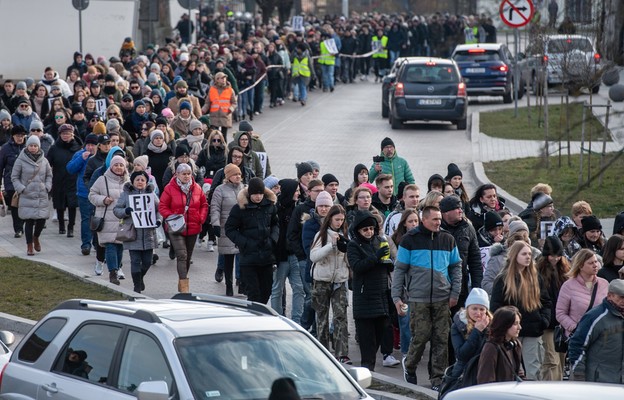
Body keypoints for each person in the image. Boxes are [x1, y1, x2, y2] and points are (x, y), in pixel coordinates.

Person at [393, 206, 462, 389]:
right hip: (418, 298)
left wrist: (455, 292)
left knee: (441, 338)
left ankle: (437, 379)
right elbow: (399, 270)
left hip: (442, 298)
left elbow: (456, 267)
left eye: (440, 219)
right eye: (435, 219)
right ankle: (410, 366)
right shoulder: (410, 240)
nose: (439, 222)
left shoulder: (448, 239)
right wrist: (397, 297)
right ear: (424, 220)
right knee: (421, 336)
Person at [490, 241, 551, 380]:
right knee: (512, 372)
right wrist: (505, 325)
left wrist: (544, 320)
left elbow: (546, 301)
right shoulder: (503, 279)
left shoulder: (535, 277)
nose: (528, 257)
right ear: (514, 256)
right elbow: (495, 307)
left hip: (533, 331)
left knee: (533, 372)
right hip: (510, 333)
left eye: (530, 254)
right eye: (524, 254)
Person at [347, 210, 394, 371]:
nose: (369, 232)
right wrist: (376, 258)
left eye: (371, 229)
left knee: (379, 336)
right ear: (358, 231)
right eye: (365, 229)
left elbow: (386, 262)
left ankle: (370, 371)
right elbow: (357, 267)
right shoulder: (353, 245)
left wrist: (388, 263)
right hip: (364, 299)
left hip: (381, 297)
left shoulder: (378, 241)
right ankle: (367, 373)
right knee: (367, 343)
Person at [225, 177, 278, 303]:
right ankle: (254, 319)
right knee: (253, 294)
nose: (258, 197)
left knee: (266, 291)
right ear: (249, 194)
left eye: (260, 193)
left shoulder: (269, 206)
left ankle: (261, 317)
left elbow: (276, 224)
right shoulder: (240, 208)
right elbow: (229, 229)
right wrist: (245, 243)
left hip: (266, 257)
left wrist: (273, 239)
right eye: (255, 194)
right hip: (248, 258)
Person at [159, 163, 208, 293]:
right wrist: (172, 217)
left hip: (193, 227)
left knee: (188, 257)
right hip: (176, 228)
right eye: (184, 174)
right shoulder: (170, 188)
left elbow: (204, 204)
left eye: (189, 174)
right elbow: (162, 206)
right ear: (177, 174)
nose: (187, 176)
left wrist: (200, 218)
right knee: (182, 255)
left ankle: (182, 283)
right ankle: (184, 287)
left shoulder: (197, 188)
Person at [311, 204, 350, 363]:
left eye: (342, 219)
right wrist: (331, 245)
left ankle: (342, 354)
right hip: (322, 281)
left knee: (341, 316)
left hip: (339, 280)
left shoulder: (346, 234)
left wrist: (346, 247)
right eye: (336, 219)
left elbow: (350, 259)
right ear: (330, 219)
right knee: (322, 317)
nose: (339, 222)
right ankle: (323, 351)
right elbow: (313, 256)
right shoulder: (321, 235)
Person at [569, 279, 624, 383]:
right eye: (621, 297)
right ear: (610, 296)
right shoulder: (595, 316)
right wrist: (579, 375)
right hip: (599, 381)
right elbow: (577, 345)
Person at [113, 170, 160, 293]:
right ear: (132, 181)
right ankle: (136, 287)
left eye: (142, 180)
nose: (140, 182)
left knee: (147, 262)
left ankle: (140, 278)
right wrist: (126, 212)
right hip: (132, 234)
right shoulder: (126, 195)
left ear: (146, 182)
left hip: (148, 234)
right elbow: (116, 210)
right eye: (137, 180)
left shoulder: (151, 195)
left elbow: (159, 209)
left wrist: (159, 220)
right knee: (135, 261)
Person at [88, 155, 129, 284]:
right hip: (106, 219)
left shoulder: (128, 182)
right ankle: (113, 272)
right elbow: (92, 195)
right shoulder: (102, 180)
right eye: (116, 165)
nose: (118, 167)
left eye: (121, 165)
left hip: (122, 220)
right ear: (111, 166)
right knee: (110, 245)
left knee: (120, 247)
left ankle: (117, 268)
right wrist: (103, 200)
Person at [11, 135, 52, 256]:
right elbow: (14, 177)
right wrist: (21, 189)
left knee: (41, 220)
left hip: (41, 195)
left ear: (38, 147)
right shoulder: (20, 160)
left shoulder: (44, 161)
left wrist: (47, 187)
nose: (33, 148)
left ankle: (36, 237)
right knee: (28, 221)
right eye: (31, 145)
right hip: (27, 195)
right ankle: (29, 246)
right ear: (27, 146)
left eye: (35, 146)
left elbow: (49, 175)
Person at [440, 195, 483, 310]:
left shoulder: (468, 228)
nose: (460, 211)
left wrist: (476, 287)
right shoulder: (436, 229)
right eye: (457, 208)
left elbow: (475, 261)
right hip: (439, 288)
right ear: (446, 213)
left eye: (461, 208)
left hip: (461, 287)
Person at [536, 236, 570, 381]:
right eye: (551, 255)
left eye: (558, 255)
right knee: (551, 361)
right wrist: (543, 319)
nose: (555, 259)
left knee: (561, 362)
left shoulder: (565, 272)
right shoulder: (537, 272)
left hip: (562, 324)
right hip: (548, 324)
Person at [272, 179, 304, 321]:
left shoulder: (298, 209)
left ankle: (297, 321)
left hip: (295, 256)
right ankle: (277, 320)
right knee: (277, 289)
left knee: (299, 288)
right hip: (280, 257)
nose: (298, 193)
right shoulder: (275, 208)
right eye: (296, 190)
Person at [556, 249, 608, 338]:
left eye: (596, 262)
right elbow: (560, 313)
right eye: (590, 263)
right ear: (580, 265)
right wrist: (575, 328)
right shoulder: (568, 286)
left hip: (600, 336)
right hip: (577, 337)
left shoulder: (604, 284)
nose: (595, 265)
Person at [210, 164, 245, 296]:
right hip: (227, 228)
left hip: (242, 228)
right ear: (228, 176)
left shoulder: (244, 188)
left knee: (242, 257)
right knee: (228, 258)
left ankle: (241, 283)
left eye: (239, 174)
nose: (238, 177)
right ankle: (229, 285)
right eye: (235, 174)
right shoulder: (220, 190)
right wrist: (216, 224)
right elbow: (215, 208)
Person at [388, 208, 419, 357]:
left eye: (416, 221)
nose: (414, 224)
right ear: (404, 224)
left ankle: (415, 350)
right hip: (402, 286)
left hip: (418, 286)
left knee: (417, 322)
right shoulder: (397, 241)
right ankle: (406, 352)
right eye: (410, 221)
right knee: (405, 321)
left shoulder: (422, 239)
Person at [46, 124, 81, 237]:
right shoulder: (54, 148)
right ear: (59, 134)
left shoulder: (77, 147)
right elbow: (47, 163)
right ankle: (61, 226)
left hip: (73, 180)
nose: (65, 136)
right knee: (60, 204)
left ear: (72, 134)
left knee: (72, 205)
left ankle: (71, 227)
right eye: (63, 133)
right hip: (58, 180)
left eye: (68, 133)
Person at [449, 288, 492, 381]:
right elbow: (462, 355)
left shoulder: (492, 326)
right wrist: (476, 331)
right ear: (468, 308)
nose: (478, 313)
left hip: (485, 370)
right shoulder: (458, 325)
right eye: (474, 308)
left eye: (482, 309)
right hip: (464, 372)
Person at [476, 306, 525, 384]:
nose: (520, 327)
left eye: (519, 323)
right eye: (515, 324)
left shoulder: (516, 345)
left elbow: (520, 375)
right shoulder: (491, 348)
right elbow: (485, 381)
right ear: (504, 324)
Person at [0, 125, 27, 238]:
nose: (20, 138)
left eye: (22, 135)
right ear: (13, 136)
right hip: (11, 182)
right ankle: (18, 229)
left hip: (26, 181)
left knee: (25, 205)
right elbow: (0, 166)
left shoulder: (28, 146)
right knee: (15, 206)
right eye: (17, 136)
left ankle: (23, 224)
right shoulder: (6, 148)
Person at [202, 72, 236, 140]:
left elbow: (234, 102)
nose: (223, 79)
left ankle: (224, 149)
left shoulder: (230, 90)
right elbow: (207, 102)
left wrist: (231, 109)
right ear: (217, 80)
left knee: (224, 136)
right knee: (215, 136)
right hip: (214, 116)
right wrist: (203, 110)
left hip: (225, 115)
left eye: (224, 78)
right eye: (221, 78)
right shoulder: (212, 90)